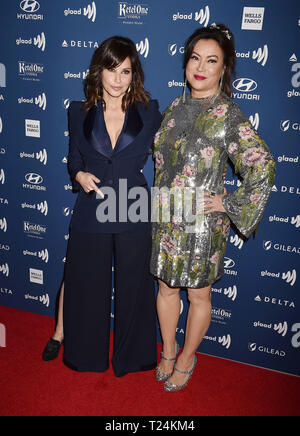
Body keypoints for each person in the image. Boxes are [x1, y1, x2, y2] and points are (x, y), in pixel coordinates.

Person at [151, 23, 276, 392]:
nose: (200, 67)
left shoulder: (228, 114)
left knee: (198, 294)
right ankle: (169, 351)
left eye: (211, 60)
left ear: (224, 69)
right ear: (186, 63)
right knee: (165, 289)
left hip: (202, 224)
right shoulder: (174, 108)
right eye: (194, 58)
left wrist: (227, 201)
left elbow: (263, 165)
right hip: (166, 217)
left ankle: (188, 358)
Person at [44, 36, 162, 376]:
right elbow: (73, 159)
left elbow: (171, 152)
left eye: (125, 71)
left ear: (133, 75)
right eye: (111, 69)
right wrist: (79, 173)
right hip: (92, 206)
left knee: (135, 287)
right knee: (83, 280)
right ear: (99, 71)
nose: (117, 79)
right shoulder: (78, 112)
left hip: (132, 205)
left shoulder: (149, 112)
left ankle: (133, 357)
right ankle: (82, 353)